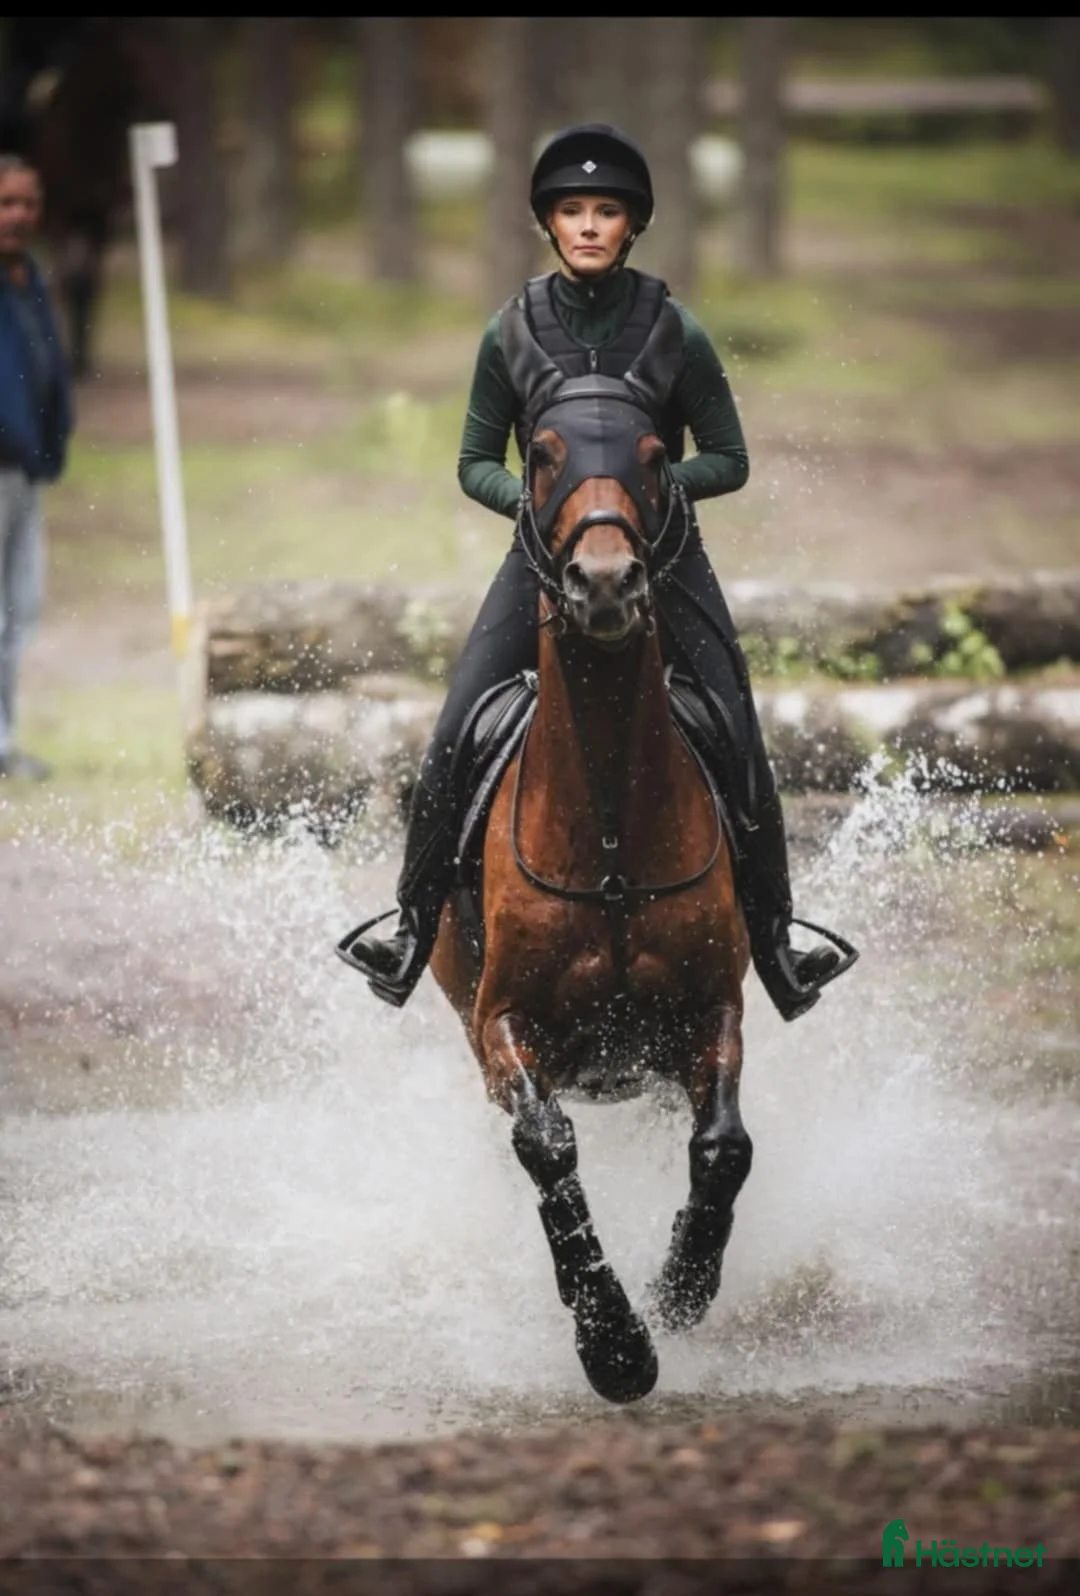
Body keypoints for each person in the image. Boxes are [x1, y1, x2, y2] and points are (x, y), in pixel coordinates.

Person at [342, 123, 855, 1022]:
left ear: (633, 225)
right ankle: (412, 927)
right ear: (547, 222)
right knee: (457, 726)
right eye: (571, 210)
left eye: (606, 211)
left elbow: (729, 459)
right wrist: (548, 512)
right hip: (543, 564)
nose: (587, 225)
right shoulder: (509, 330)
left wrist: (643, 500)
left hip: (665, 562)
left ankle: (776, 943)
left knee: (737, 730)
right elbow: (472, 462)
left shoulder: (674, 330)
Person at [0, 154, 72, 780]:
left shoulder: (31, 279)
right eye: (6, 203)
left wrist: (54, 440)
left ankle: (5, 737)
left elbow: (49, 368)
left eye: (28, 202)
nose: (19, 215)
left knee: (21, 606)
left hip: (24, 473)